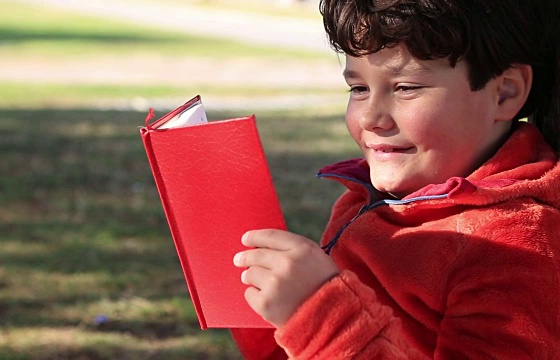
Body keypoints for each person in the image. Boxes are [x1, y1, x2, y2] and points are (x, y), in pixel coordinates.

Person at [230, 0, 560, 358]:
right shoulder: (371, 198)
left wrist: (320, 316)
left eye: (405, 88)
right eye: (358, 89)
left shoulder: (518, 244)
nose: (371, 117)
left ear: (505, 92)